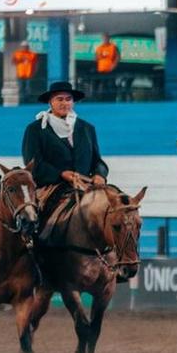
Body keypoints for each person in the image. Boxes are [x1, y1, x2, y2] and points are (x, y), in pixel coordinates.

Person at [21, 81, 109, 242]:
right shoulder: (35, 129)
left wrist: (99, 174)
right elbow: (33, 164)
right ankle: (32, 248)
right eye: (59, 99)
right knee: (35, 220)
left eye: (68, 99)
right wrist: (61, 174)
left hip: (85, 185)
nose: (64, 103)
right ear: (51, 102)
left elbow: (97, 160)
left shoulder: (86, 128)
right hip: (51, 186)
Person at [94, 33, 120, 101]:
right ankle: (102, 99)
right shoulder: (99, 48)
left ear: (109, 39)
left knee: (111, 85)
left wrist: (113, 66)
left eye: (106, 38)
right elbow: (95, 59)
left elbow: (118, 57)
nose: (105, 39)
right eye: (103, 38)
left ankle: (112, 99)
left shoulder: (113, 47)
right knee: (102, 85)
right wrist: (98, 56)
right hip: (101, 70)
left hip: (110, 70)